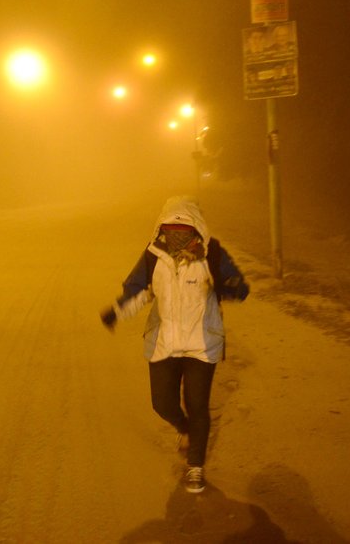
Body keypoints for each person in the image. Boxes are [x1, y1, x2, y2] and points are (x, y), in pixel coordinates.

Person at [100, 196, 249, 493]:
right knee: (162, 403)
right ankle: (183, 428)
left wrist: (227, 286)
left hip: (201, 343)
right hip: (164, 342)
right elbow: (138, 290)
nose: (177, 236)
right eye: (170, 229)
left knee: (198, 406)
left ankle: (196, 467)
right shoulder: (154, 254)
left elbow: (239, 287)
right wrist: (117, 312)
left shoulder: (211, 253)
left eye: (184, 230)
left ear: (197, 229)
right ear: (161, 228)